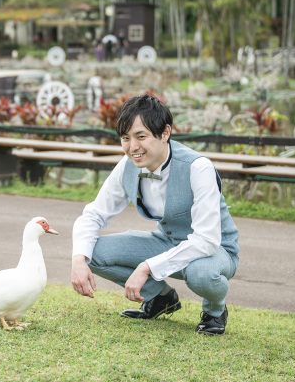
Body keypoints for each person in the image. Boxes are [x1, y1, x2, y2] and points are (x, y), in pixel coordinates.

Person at [70, 94, 239, 335]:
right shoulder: (127, 165)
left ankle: (215, 310)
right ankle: (161, 298)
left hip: (216, 250)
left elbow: (207, 240)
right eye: (125, 138)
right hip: (168, 242)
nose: (132, 147)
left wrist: (147, 267)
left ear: (165, 133)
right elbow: (93, 214)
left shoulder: (198, 167)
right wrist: (78, 259)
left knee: (200, 273)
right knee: (91, 253)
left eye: (141, 137)